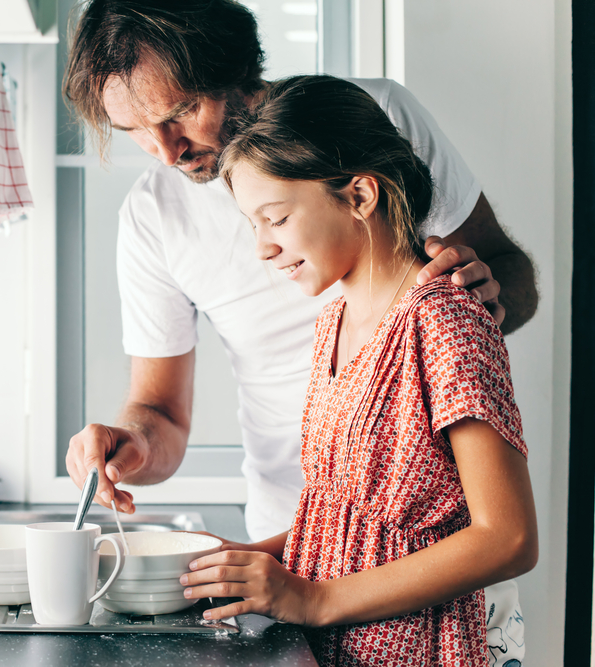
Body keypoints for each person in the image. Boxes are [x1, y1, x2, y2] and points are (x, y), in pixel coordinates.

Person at [62, 0, 536, 661]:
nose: (164, 150)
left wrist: (478, 307)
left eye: (176, 113)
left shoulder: (374, 123)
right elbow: (164, 414)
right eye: (135, 130)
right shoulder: (325, 316)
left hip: (421, 592)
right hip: (303, 555)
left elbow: (505, 534)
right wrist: (139, 451)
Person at [178, 74, 538, 665]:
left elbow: (509, 537)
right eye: (253, 226)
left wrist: (314, 600)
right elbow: (343, 520)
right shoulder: (333, 324)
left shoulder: (445, 320)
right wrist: (240, 562)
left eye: (276, 218)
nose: (263, 249)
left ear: (360, 197)